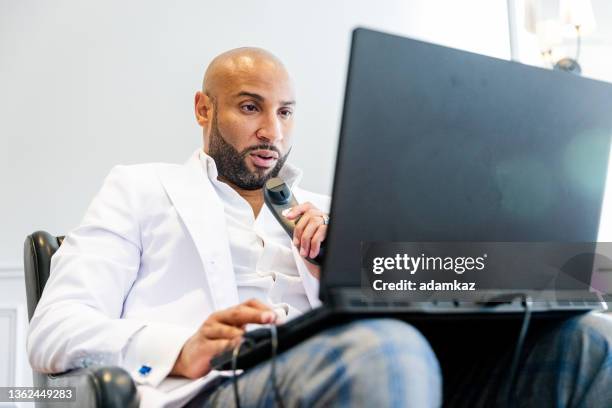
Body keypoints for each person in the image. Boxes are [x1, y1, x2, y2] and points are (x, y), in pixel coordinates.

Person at [27, 48, 612, 408]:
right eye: (250, 107)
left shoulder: (333, 210)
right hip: (217, 388)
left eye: (284, 113)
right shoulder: (139, 188)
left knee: (590, 343)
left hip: (376, 365)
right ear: (205, 110)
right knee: (385, 352)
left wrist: (342, 270)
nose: (272, 133)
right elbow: (54, 329)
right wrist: (181, 348)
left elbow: (418, 316)